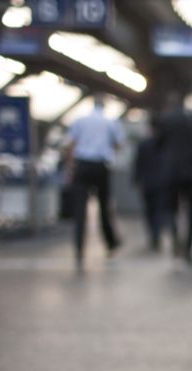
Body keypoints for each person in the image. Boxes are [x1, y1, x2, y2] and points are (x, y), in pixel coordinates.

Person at [65, 94, 125, 265]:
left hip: (82, 165)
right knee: (104, 206)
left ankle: (79, 247)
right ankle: (111, 243)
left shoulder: (80, 121)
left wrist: (70, 170)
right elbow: (119, 144)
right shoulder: (110, 122)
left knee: (80, 209)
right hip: (101, 166)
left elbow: (70, 145)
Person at [156, 92, 192, 264]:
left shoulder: (165, 119)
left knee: (170, 208)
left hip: (170, 172)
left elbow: (159, 144)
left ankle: (175, 240)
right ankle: (188, 248)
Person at [133, 116, 177, 253]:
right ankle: (156, 234)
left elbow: (138, 164)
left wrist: (136, 180)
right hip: (162, 183)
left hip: (147, 183)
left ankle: (153, 235)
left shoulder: (143, 144)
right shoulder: (166, 144)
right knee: (159, 210)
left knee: (149, 210)